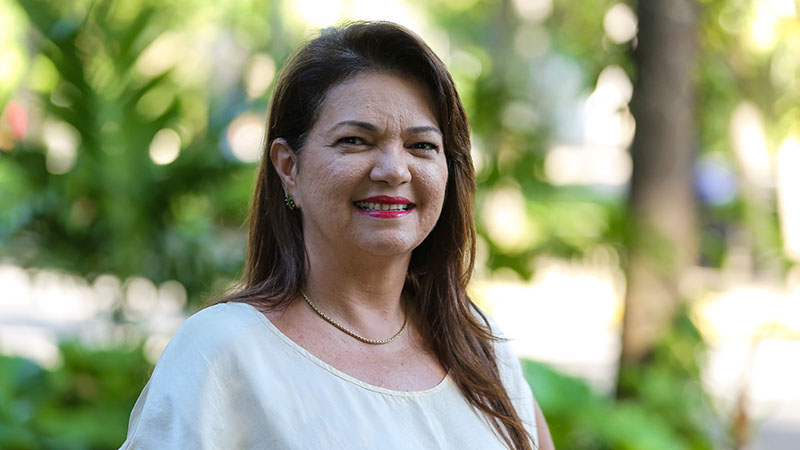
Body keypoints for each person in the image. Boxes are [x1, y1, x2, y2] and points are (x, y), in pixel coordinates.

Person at [120, 21, 554, 450]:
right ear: (288, 167)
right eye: (355, 141)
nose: (394, 170)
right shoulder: (224, 353)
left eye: (421, 146)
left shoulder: (478, 349)